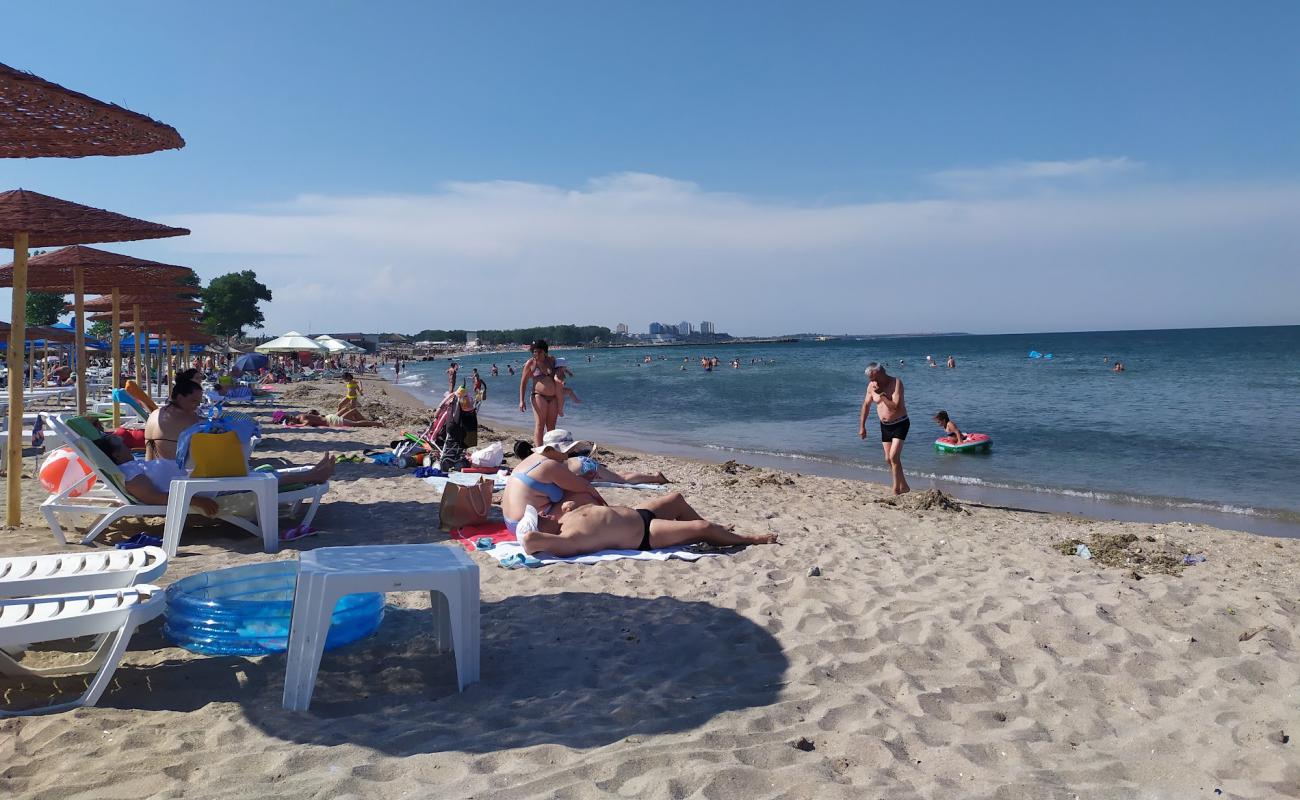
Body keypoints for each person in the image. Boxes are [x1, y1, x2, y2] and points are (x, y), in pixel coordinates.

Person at [92, 432, 334, 516]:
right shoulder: (130, 477)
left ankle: (310, 472)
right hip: (202, 488)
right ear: (115, 455)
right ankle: (311, 476)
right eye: (120, 444)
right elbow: (154, 498)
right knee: (260, 479)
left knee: (256, 474)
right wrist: (195, 500)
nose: (125, 445)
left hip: (201, 479)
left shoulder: (131, 466)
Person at [516, 491, 778, 557]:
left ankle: (719, 532)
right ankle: (749, 539)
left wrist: (570, 508)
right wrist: (528, 530)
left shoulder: (563, 520)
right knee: (702, 530)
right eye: (540, 518)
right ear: (539, 530)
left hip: (640, 513)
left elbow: (576, 506)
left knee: (675, 499)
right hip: (645, 535)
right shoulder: (567, 540)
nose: (545, 514)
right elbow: (528, 542)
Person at [500, 429, 606, 533]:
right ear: (550, 450)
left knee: (576, 493)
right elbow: (586, 487)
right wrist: (605, 506)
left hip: (511, 524)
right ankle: (607, 523)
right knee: (584, 496)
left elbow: (569, 483)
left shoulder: (532, 460)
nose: (566, 456)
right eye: (565, 451)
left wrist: (583, 478)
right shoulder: (550, 465)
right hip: (530, 526)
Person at [512, 440, 669, 485]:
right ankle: (653, 477)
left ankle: (656, 478)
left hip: (583, 467)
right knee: (619, 476)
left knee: (622, 479)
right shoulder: (540, 456)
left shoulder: (533, 465)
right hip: (581, 462)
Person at [859, 361, 910, 495]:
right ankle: (904, 486)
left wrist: (882, 394)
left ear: (882, 373)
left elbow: (895, 406)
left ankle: (895, 489)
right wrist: (862, 426)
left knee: (893, 457)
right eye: (870, 379)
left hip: (900, 423)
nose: (873, 381)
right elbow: (866, 405)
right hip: (885, 426)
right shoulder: (871, 386)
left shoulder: (896, 383)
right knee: (889, 459)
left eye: (874, 378)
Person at [145, 369, 204, 461]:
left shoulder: (155, 413)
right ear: (180, 397)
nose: (197, 405)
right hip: (173, 472)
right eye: (194, 401)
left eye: (199, 402)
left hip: (149, 469)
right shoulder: (187, 417)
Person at [519, 339, 562, 446]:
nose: (536, 354)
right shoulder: (531, 363)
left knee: (551, 426)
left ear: (544, 351)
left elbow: (561, 374)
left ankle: (550, 448)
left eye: (538, 351)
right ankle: (539, 450)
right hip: (538, 396)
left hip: (553, 397)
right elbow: (523, 383)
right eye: (534, 351)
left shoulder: (552, 360)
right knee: (540, 424)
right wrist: (521, 401)